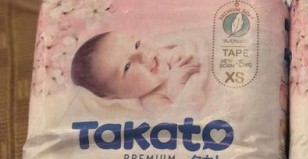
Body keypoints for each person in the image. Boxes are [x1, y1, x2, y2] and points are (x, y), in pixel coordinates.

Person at [70, 31, 206, 111]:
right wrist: (176, 87)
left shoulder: (163, 52)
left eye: (136, 45)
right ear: (116, 96)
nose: (141, 55)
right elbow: (185, 115)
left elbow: (192, 46)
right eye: (127, 66)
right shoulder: (153, 100)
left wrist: (184, 51)